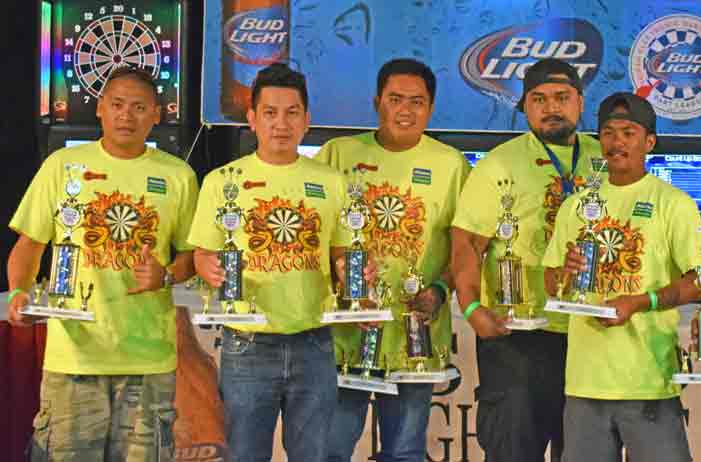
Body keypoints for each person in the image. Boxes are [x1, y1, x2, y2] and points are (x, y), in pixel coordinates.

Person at [7, 66, 198, 461]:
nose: (126, 116)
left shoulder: (178, 175)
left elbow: (193, 256)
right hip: (74, 358)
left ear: (156, 114)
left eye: (139, 107)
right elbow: (29, 245)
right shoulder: (62, 166)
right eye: (117, 105)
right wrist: (19, 292)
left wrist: (165, 275)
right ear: (100, 108)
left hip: (148, 361)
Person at [189, 63, 363, 461]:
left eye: (291, 112)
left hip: (314, 343)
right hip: (247, 344)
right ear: (252, 119)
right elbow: (202, 253)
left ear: (306, 120)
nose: (281, 124)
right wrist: (208, 267)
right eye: (270, 112)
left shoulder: (331, 182)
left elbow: (342, 253)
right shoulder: (221, 181)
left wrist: (352, 277)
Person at [450, 58, 603, 462]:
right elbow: (466, 243)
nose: (551, 107)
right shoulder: (499, 164)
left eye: (561, 97)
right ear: (525, 107)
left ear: (580, 102)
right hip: (517, 337)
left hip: (591, 335)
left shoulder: (604, 159)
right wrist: (471, 308)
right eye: (539, 99)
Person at [317, 58, 469, 462]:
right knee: (329, 450)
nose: (405, 110)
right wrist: (342, 281)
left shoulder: (451, 165)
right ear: (377, 102)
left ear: (431, 108)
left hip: (414, 336)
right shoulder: (337, 154)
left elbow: (467, 247)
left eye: (417, 102)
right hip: (344, 337)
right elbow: (313, 236)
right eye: (395, 99)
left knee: (404, 453)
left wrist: (439, 291)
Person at [542, 92, 701, 462]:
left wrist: (641, 302)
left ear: (649, 142)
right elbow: (551, 282)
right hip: (585, 381)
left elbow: (700, 283)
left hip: (648, 380)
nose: (617, 142)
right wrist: (565, 274)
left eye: (629, 133)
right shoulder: (577, 205)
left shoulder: (673, 204)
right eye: (608, 133)